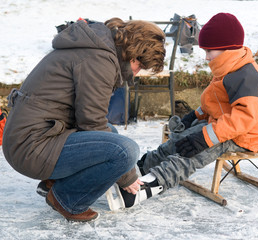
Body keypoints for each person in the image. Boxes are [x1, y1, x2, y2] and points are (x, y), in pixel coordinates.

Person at [2, 17, 166, 222]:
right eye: (140, 66)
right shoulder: (99, 60)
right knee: (125, 151)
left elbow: (91, 121)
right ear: (133, 55)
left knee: (112, 135)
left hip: (32, 137)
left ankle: (53, 181)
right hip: (32, 147)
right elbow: (92, 123)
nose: (137, 73)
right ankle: (66, 198)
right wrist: (128, 177)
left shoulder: (96, 47)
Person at [126, 12, 258, 207]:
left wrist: (204, 138)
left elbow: (244, 119)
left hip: (245, 135)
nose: (206, 58)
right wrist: (194, 116)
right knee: (181, 140)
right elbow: (216, 103)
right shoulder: (228, 67)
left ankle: (152, 185)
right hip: (224, 125)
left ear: (227, 49)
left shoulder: (246, 76)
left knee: (191, 152)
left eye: (209, 51)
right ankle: (142, 168)